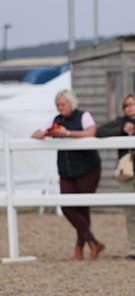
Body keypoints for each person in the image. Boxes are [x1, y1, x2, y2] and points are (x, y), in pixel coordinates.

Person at [31, 89, 104, 259]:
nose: (60, 107)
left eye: (63, 104)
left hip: (88, 168)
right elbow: (36, 134)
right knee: (66, 206)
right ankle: (93, 242)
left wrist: (67, 134)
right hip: (66, 170)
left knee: (82, 207)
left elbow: (91, 132)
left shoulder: (84, 115)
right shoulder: (55, 120)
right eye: (58, 104)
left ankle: (80, 248)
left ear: (71, 103)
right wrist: (46, 133)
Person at [95, 94, 135, 260]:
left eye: (132, 104)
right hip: (126, 174)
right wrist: (121, 131)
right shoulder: (120, 122)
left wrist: (133, 136)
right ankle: (133, 248)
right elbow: (100, 132)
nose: (130, 108)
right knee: (130, 213)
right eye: (126, 106)